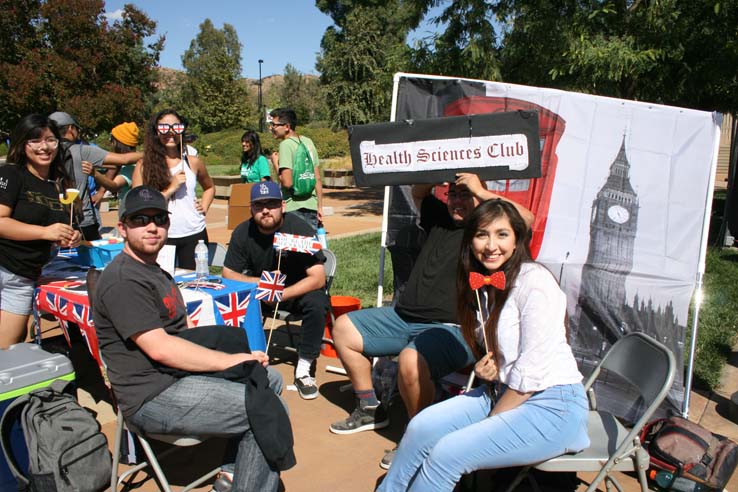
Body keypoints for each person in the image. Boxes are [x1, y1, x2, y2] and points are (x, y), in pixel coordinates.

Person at [377, 199, 590, 491]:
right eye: (482, 234)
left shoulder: (535, 283)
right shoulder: (484, 286)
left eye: (502, 234)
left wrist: (489, 422)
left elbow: (530, 374)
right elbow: (504, 351)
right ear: (470, 241)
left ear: (517, 240)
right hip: (503, 390)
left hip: (552, 405)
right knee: (419, 428)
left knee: (446, 454)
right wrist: (489, 365)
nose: (491, 245)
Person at [329, 174, 534, 469]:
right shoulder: (439, 217)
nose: (458, 200)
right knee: (343, 328)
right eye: (453, 194)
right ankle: (370, 408)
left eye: (465, 195)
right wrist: (437, 170)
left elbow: (525, 219)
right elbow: (419, 191)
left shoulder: (484, 235)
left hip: (452, 329)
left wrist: (478, 189)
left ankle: (418, 437)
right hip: (403, 318)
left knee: (411, 360)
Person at [93, 185, 287, 491]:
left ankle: (233, 474)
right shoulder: (124, 280)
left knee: (269, 379)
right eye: (140, 220)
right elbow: (161, 348)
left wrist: (243, 361)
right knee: (267, 411)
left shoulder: (152, 269)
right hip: (152, 395)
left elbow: (179, 338)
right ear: (122, 228)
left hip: (174, 375)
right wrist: (232, 360)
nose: (152, 226)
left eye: (159, 218)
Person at [223, 181, 330, 400]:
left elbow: (318, 278)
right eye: (259, 205)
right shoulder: (243, 232)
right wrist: (262, 287)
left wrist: (281, 294)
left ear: (282, 205)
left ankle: (303, 367)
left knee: (318, 302)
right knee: (234, 297)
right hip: (261, 291)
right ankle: (246, 356)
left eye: (271, 204)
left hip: (295, 291)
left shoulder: (299, 229)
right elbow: (228, 274)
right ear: (251, 208)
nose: (265, 210)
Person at [0, 114, 81, 348]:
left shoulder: (58, 185)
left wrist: (70, 236)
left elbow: (63, 227)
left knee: (7, 350)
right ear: (22, 144)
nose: (44, 147)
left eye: (51, 140)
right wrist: (46, 232)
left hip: (23, 277)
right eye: (35, 140)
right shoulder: (11, 174)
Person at [132, 109, 215, 269]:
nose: (170, 132)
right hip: (160, 234)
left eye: (176, 127)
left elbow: (209, 187)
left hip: (194, 233)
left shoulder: (193, 162)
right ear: (156, 131)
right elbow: (137, 205)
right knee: (160, 286)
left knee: (193, 284)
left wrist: (204, 206)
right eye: (164, 128)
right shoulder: (144, 166)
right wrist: (171, 188)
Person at [48, 111, 141, 240]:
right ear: (70, 128)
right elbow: (123, 159)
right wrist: (154, 152)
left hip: (53, 217)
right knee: (89, 257)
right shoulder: (82, 151)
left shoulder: (44, 152)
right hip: (82, 219)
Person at [268, 108, 322, 232]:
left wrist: (275, 164)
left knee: (291, 250)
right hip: (312, 206)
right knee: (309, 249)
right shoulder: (308, 142)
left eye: (274, 125)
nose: (271, 128)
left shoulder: (286, 145)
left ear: (287, 126)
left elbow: (287, 183)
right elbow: (317, 178)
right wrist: (319, 207)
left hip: (293, 208)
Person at [86, 122, 139, 204]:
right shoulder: (132, 160)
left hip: (130, 210)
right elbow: (114, 168)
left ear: (119, 143)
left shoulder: (131, 167)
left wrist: (95, 173)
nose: (111, 144)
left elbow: (114, 186)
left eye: (112, 140)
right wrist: (100, 193)